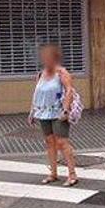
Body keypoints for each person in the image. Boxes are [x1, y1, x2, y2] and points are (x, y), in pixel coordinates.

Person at [28, 44, 79, 187]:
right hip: (43, 113)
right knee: (49, 142)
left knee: (62, 142)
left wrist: (66, 110)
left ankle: (72, 174)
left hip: (58, 113)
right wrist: (32, 111)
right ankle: (53, 173)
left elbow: (69, 91)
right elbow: (37, 94)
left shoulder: (62, 73)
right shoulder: (41, 74)